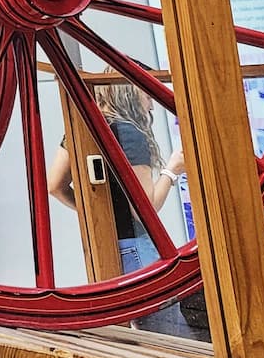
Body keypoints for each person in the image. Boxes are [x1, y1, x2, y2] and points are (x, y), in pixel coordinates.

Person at [46, 82, 202, 339]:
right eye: (147, 95)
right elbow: (146, 209)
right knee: (168, 337)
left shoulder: (82, 128)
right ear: (131, 93)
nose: (151, 105)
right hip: (138, 250)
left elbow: (55, 186)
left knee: (143, 336)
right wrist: (172, 171)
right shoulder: (130, 134)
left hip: (107, 248)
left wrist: (100, 218)